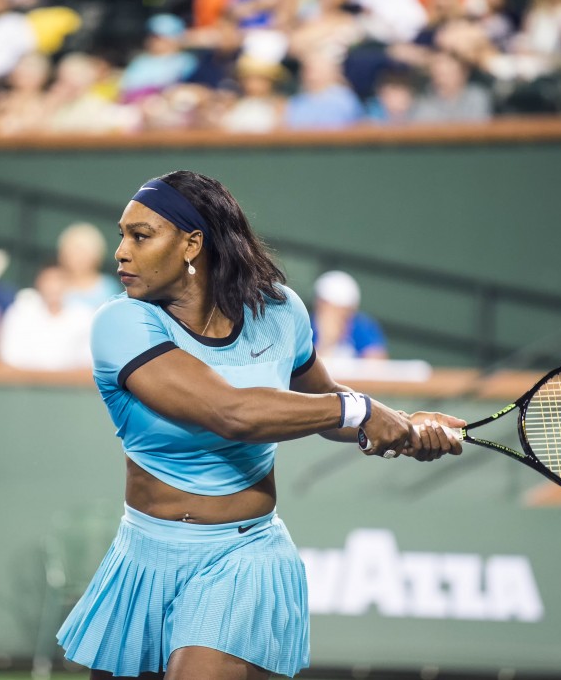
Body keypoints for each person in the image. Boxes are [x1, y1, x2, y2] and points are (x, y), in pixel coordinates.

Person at [55, 170, 464, 678]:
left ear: (192, 244)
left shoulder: (278, 311)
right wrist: (361, 411)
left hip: (242, 559)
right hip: (142, 555)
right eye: (122, 234)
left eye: (140, 235)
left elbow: (323, 405)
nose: (120, 251)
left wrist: (397, 423)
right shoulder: (120, 323)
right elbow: (231, 413)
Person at [0, 263, 93, 370]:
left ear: (68, 284)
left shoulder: (83, 316)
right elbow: (9, 355)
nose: (54, 287)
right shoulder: (20, 313)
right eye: (48, 281)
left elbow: (88, 359)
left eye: (59, 280)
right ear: (38, 282)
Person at [311, 269, 388, 359]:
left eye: (345, 311)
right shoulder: (307, 326)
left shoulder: (362, 326)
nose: (339, 316)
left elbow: (377, 363)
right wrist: (326, 342)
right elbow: (306, 369)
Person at [56, 222, 120, 312]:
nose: (78, 258)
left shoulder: (108, 287)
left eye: (83, 252)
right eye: (74, 252)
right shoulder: (55, 284)